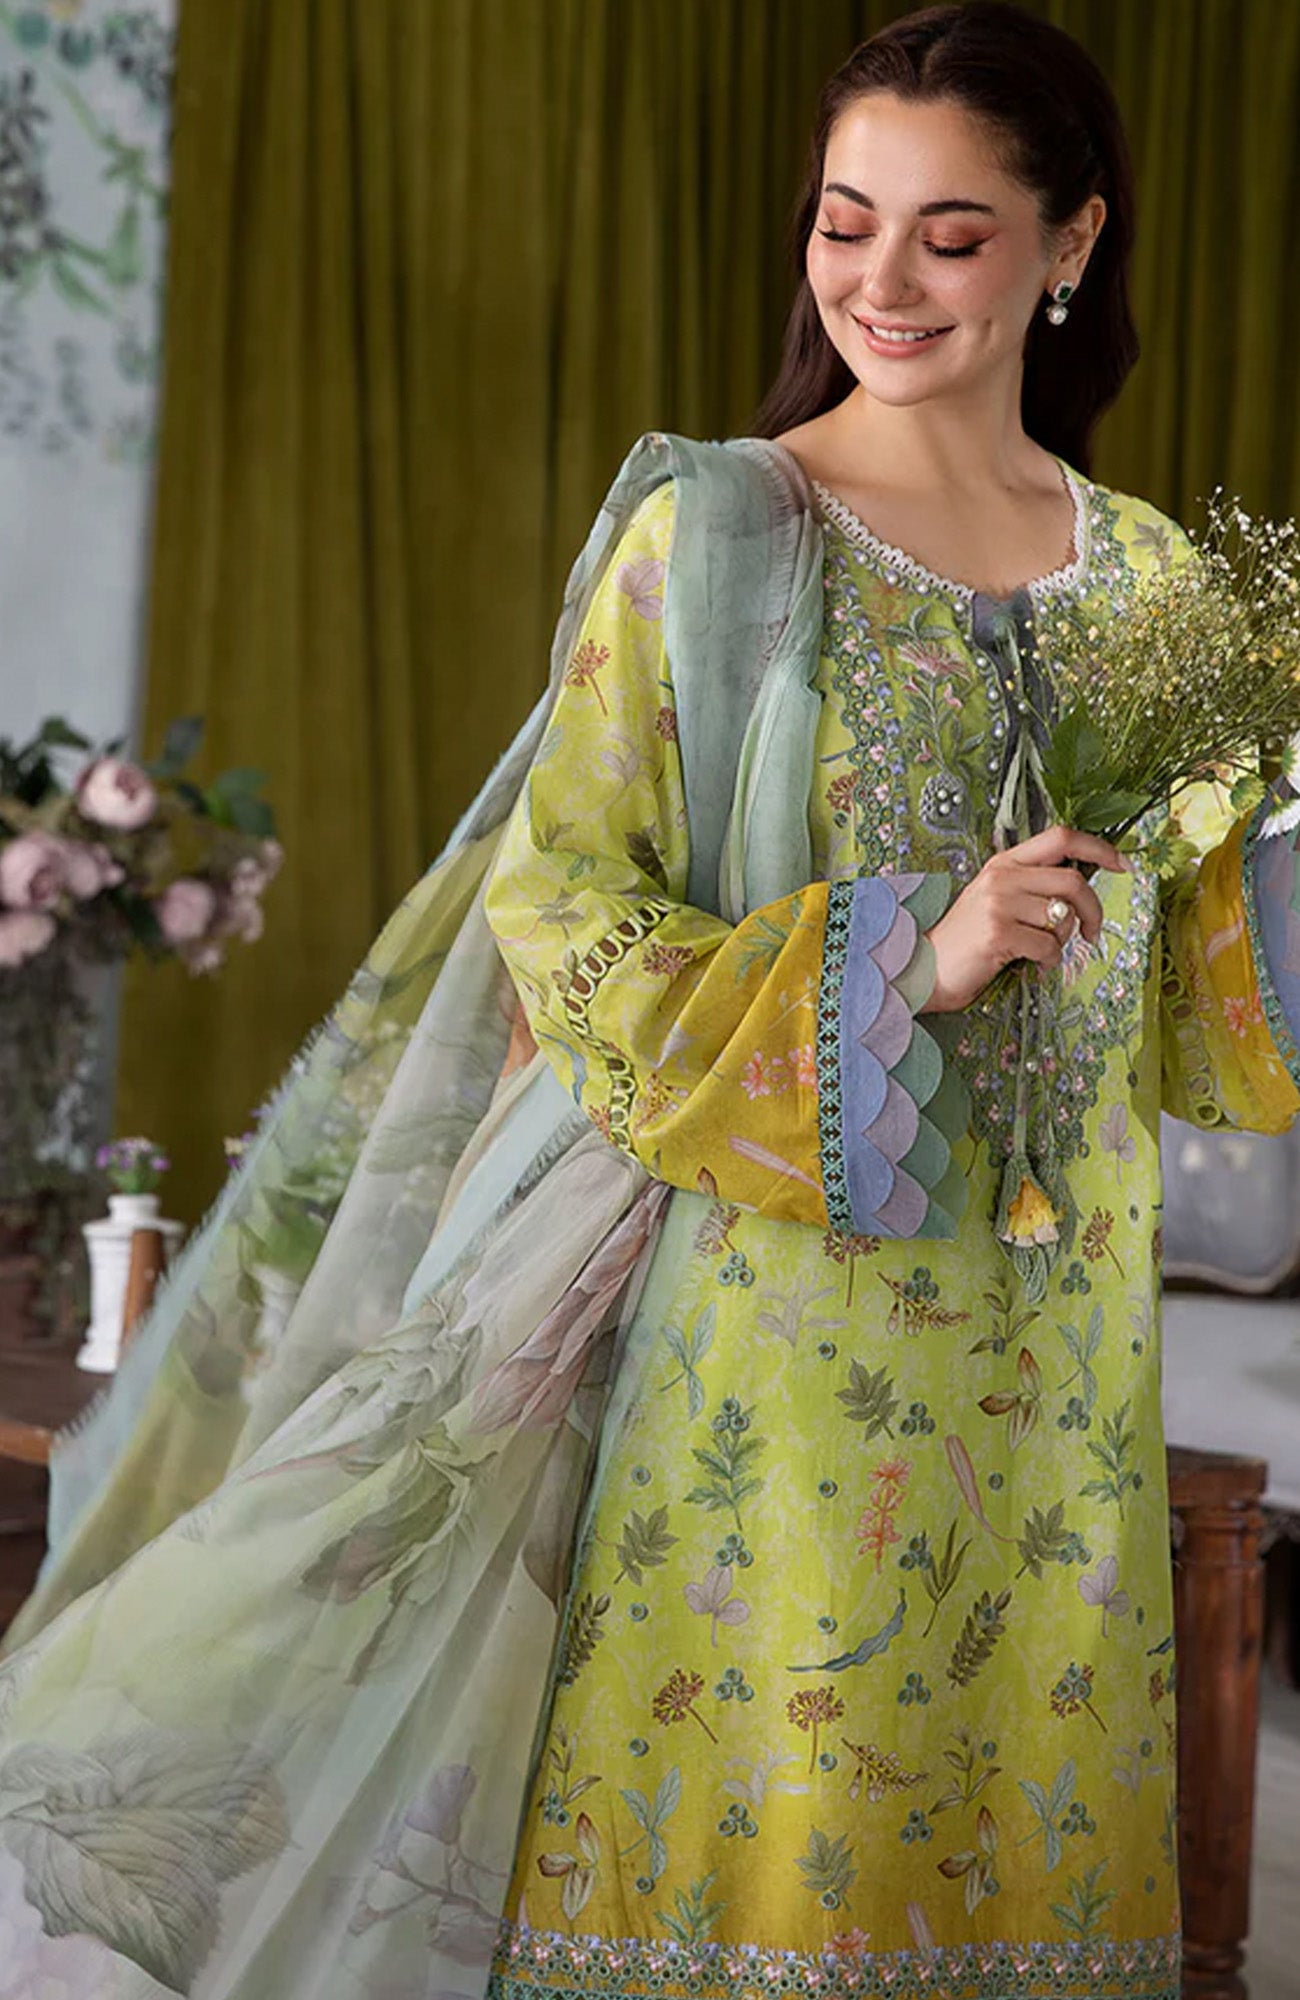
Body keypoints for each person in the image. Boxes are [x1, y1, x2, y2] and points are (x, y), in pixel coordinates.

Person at [0, 6, 1296, 1997]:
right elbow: (568, 916)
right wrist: (914, 954)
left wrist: (1238, 835)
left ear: (1070, 241)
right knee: (776, 1842)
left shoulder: (1152, 582)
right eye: (844, 221)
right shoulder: (721, 540)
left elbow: (1207, 1023)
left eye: (950, 233)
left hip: (1058, 1336)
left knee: (1012, 1816)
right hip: (780, 1325)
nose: (881, 278)